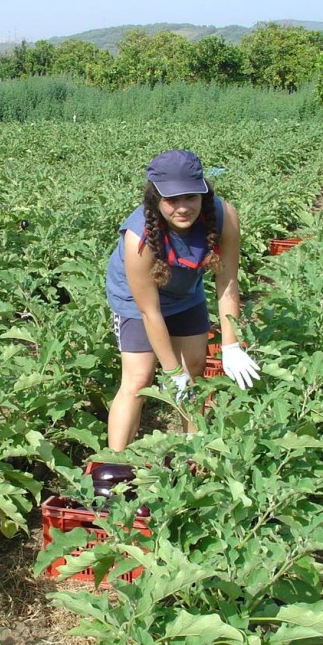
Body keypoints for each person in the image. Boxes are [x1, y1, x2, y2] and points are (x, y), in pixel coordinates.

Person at [104, 149, 260, 452]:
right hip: (136, 302)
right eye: (172, 200)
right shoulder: (138, 238)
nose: (183, 207)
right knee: (139, 379)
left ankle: (193, 453)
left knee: (194, 372)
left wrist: (230, 345)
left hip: (186, 293)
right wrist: (171, 371)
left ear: (203, 192)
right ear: (156, 199)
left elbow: (227, 282)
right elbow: (150, 312)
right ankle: (115, 462)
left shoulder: (223, 216)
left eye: (190, 197)